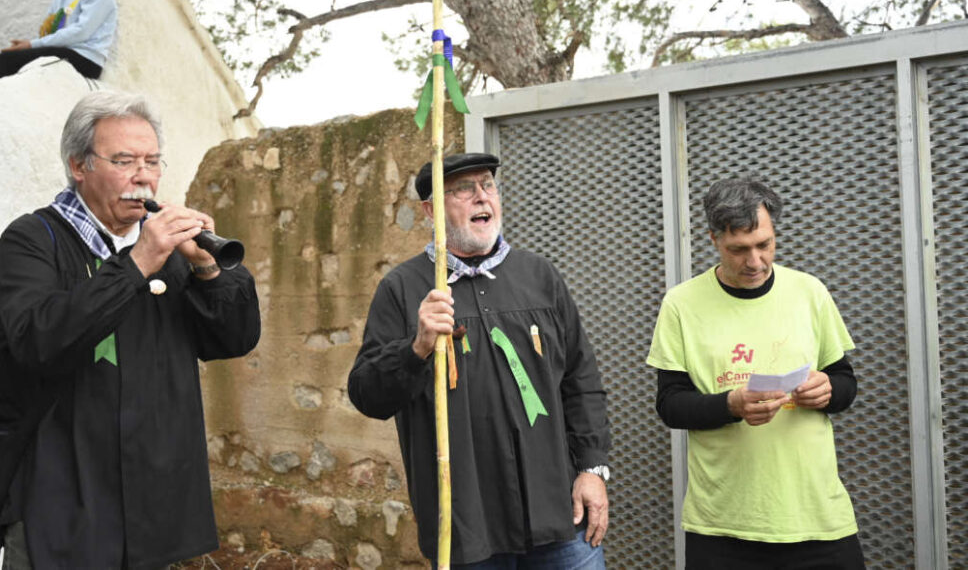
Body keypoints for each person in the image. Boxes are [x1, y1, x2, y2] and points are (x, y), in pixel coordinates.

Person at [0, 91, 260, 568]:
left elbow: (234, 340)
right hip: (60, 509)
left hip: (153, 508)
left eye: (153, 160)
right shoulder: (32, 240)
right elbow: (37, 339)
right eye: (124, 160)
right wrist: (137, 264)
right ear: (79, 165)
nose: (143, 175)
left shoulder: (170, 250)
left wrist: (208, 272)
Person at [348, 153, 611, 568]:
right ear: (431, 210)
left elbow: (581, 381)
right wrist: (414, 348)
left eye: (488, 185)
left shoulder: (540, 277)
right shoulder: (402, 289)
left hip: (560, 516)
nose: (481, 197)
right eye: (464, 190)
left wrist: (593, 468)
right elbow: (367, 394)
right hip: (467, 527)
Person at [646, 177, 864, 569]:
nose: (755, 261)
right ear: (713, 239)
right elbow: (671, 405)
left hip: (817, 518)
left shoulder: (810, 292)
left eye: (764, 245)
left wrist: (828, 389)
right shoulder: (681, 304)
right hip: (723, 526)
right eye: (738, 250)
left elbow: (846, 382)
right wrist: (730, 405)